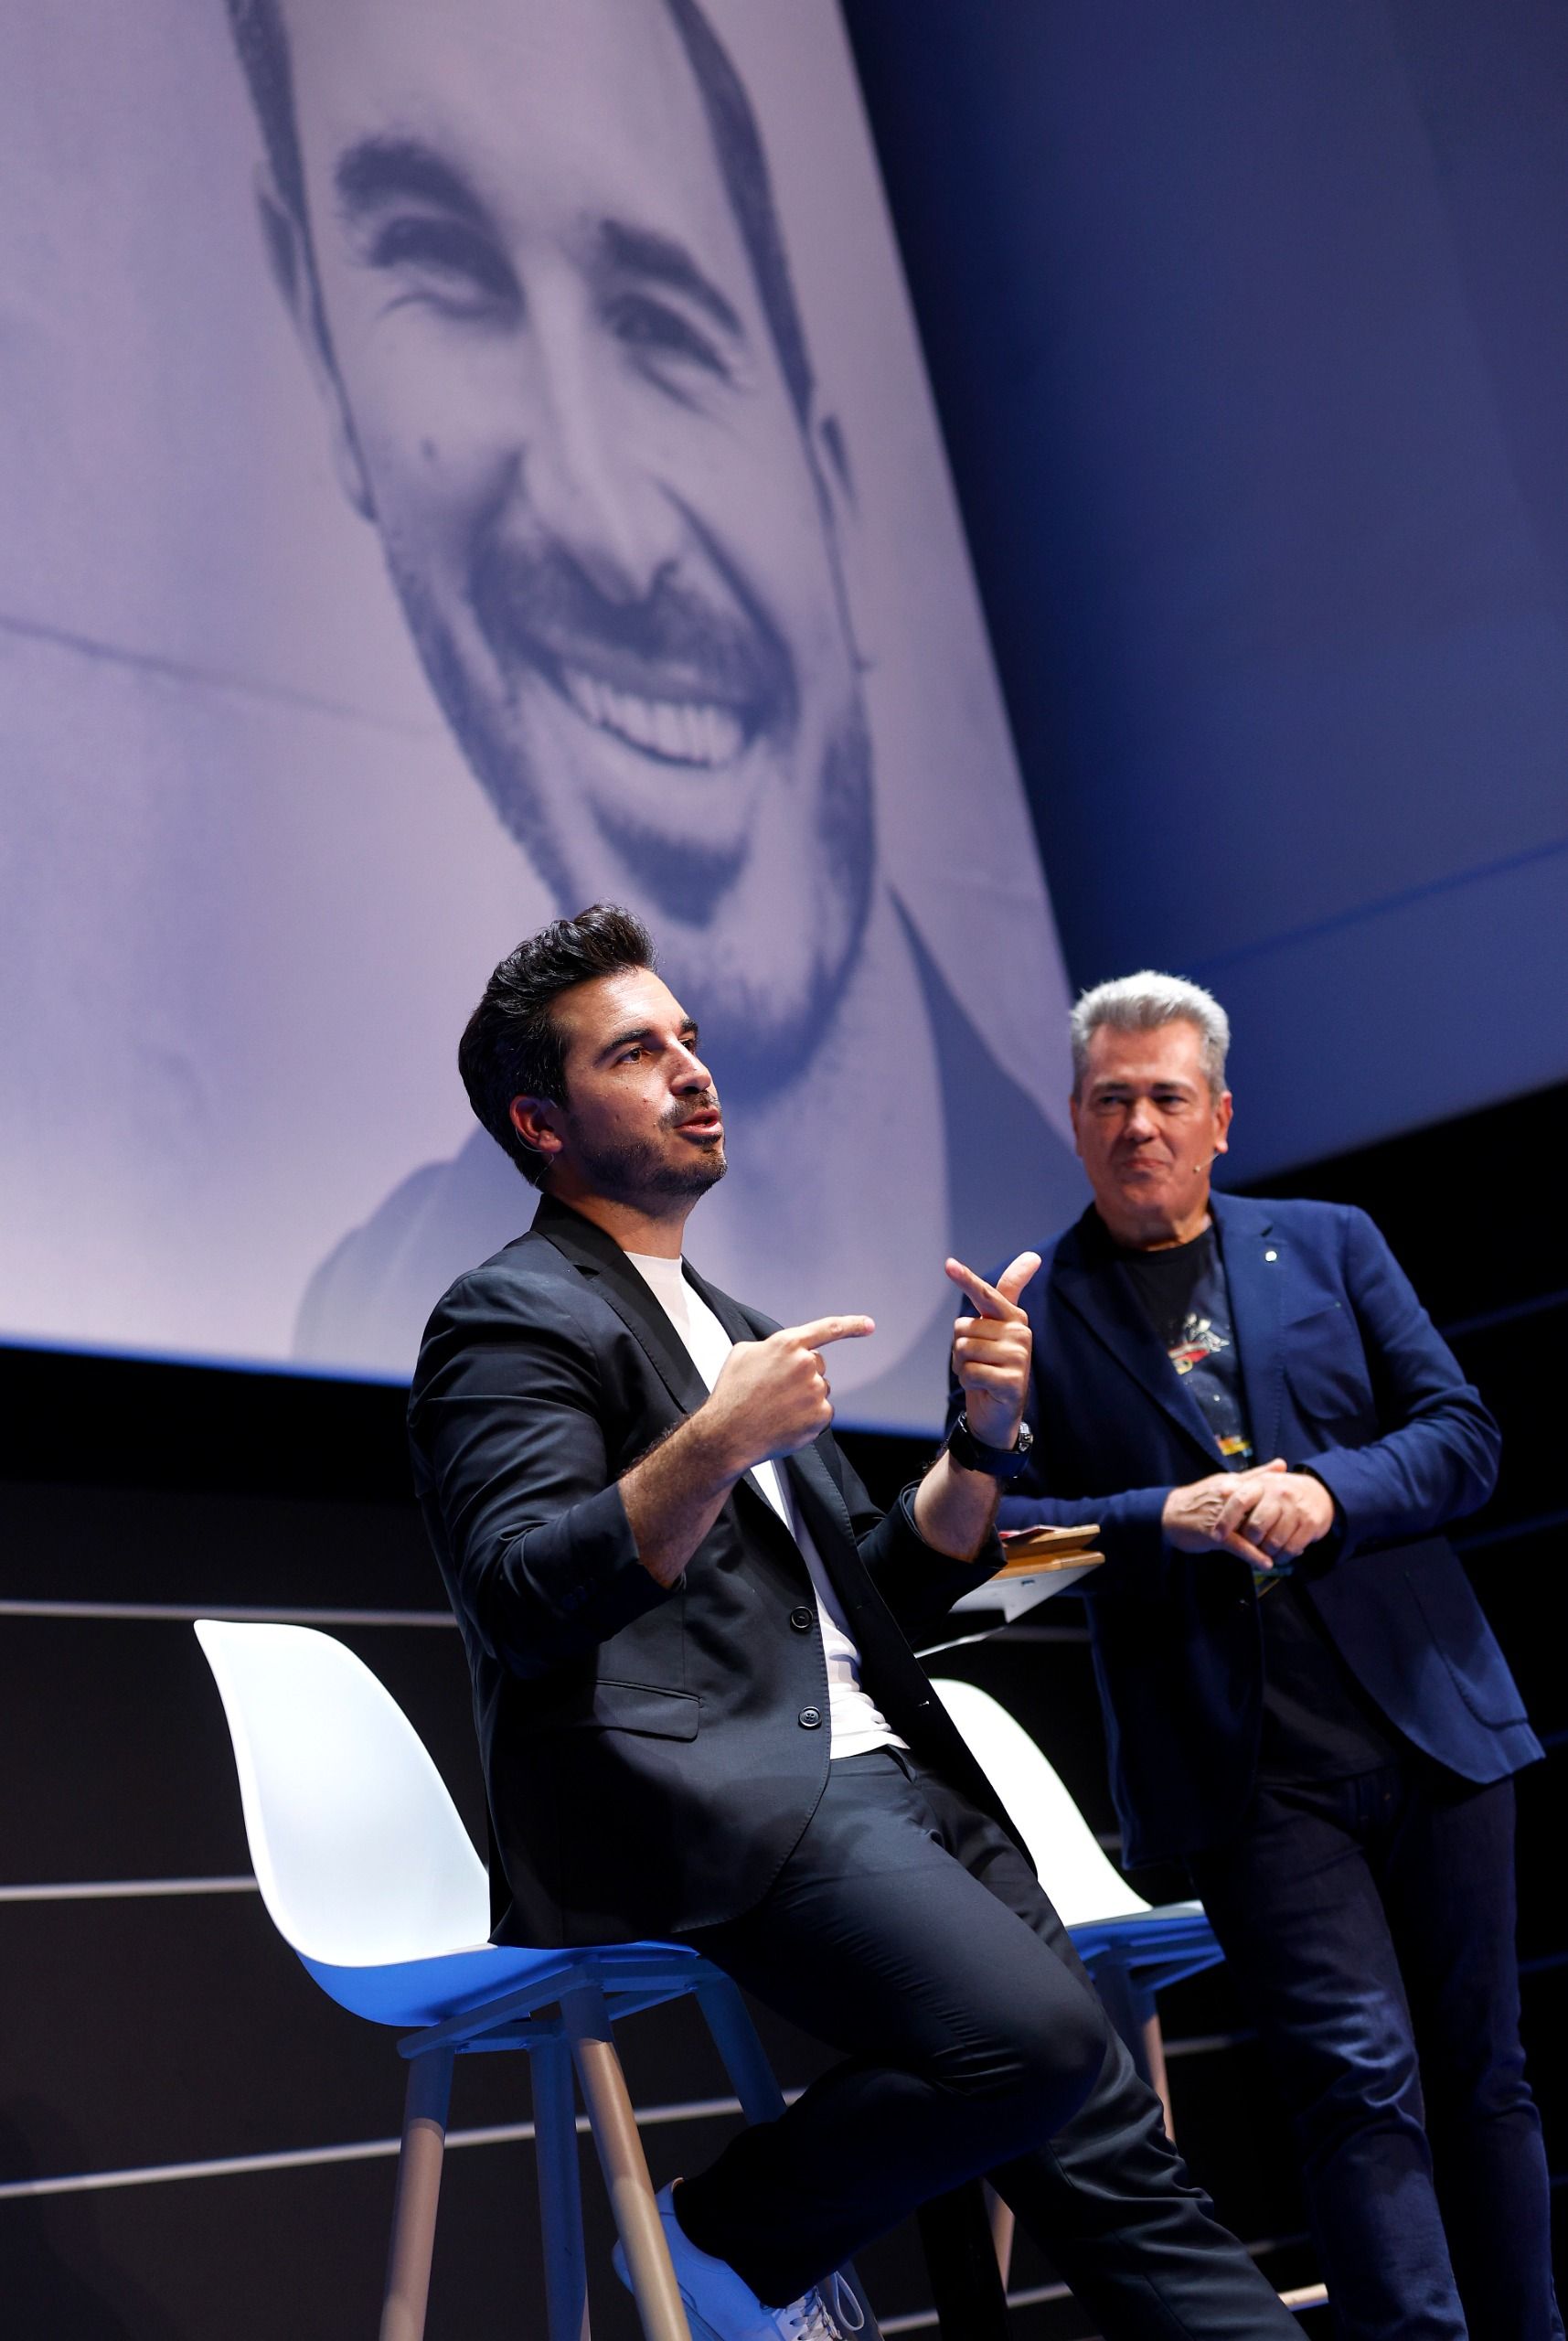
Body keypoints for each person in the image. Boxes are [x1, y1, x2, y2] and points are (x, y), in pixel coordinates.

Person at [408, 905, 1300, 2341]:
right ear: (542, 1120)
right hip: (718, 1790)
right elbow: (520, 1595)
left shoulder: (726, 1314)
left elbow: (878, 1593)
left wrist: (982, 1439)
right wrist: (709, 1442)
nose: (694, 1071)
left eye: (689, 1039)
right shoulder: (507, 1319)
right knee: (1038, 2044)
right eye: (637, 1053)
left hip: (889, 1767)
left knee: (1117, 2154)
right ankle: (721, 2235)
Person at [222, 0, 1080, 1415]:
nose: (600, 526)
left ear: (830, 479)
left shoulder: (1103, 1239)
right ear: (321, 339)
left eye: (661, 324)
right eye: (438, 270)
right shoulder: (392, 1305)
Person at [982, 969, 1557, 2341]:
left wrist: (1335, 1494)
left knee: (1487, 2074)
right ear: (1073, 1119)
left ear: (1220, 1118)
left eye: (1166, 1099)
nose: (1139, 1127)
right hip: (1244, 1775)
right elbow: (1004, 1566)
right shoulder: (1032, 1314)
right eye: (1110, 1101)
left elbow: (1466, 1440)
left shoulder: (1333, 1241)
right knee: (1358, 2078)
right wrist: (1149, 1522)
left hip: (1430, 1719)